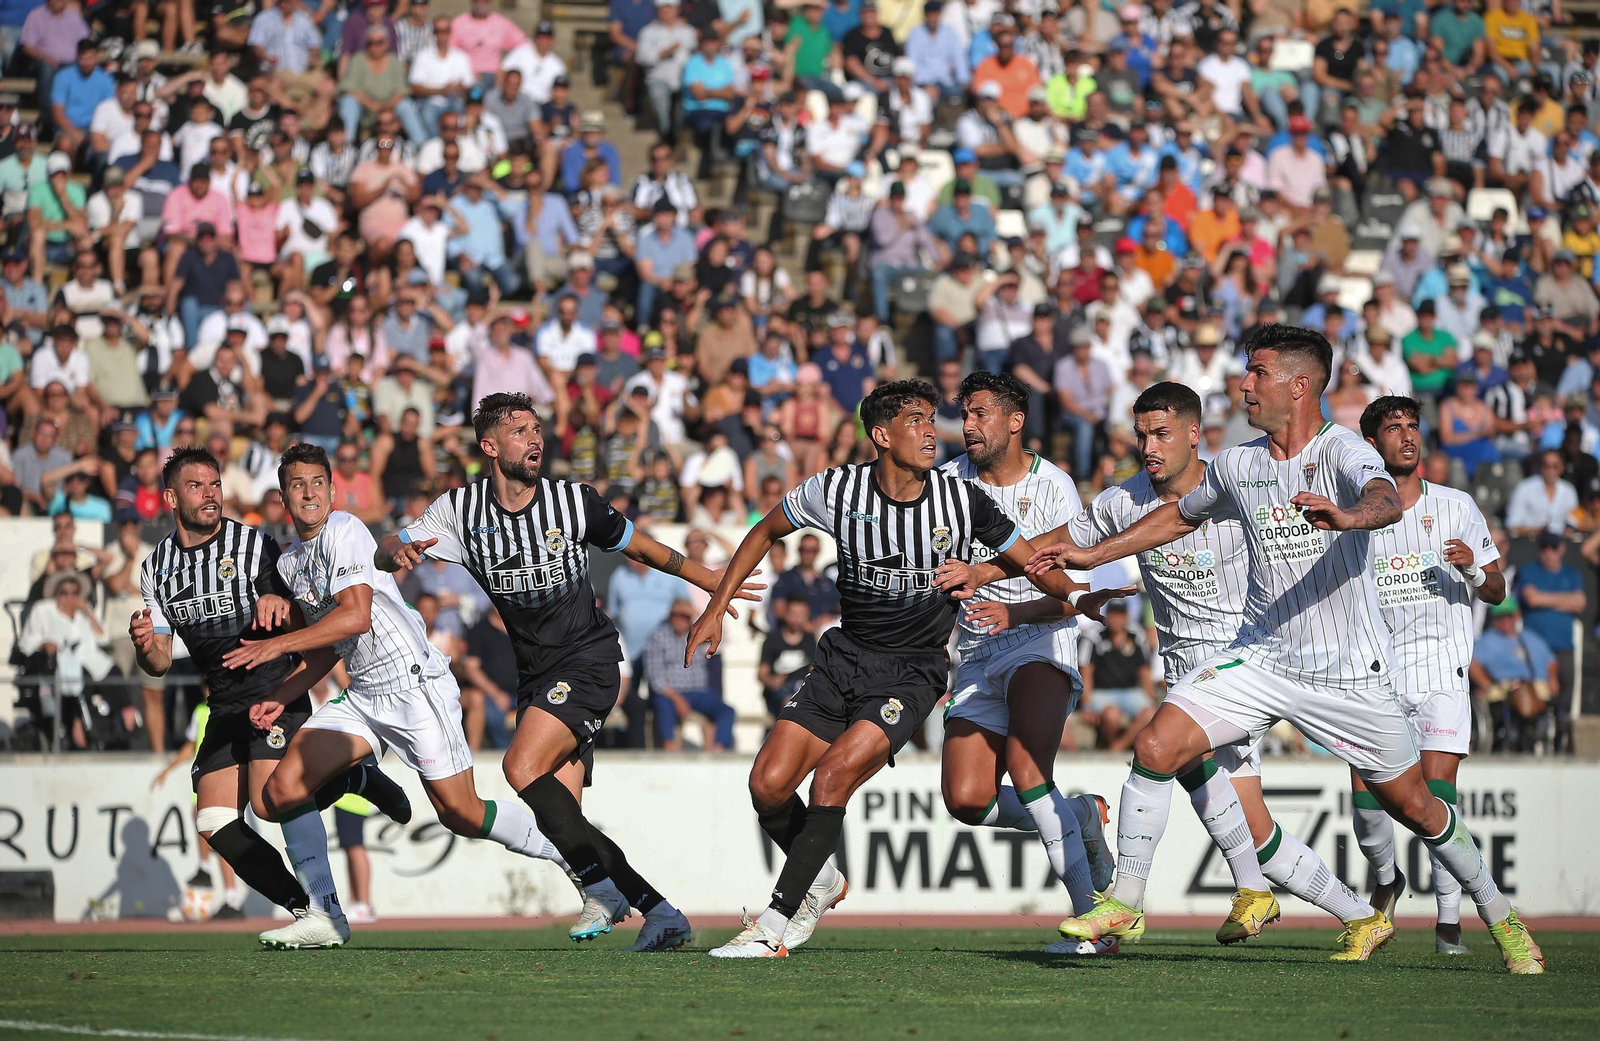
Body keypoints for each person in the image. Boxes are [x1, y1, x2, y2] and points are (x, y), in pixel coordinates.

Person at [1033, 325, 1543, 974]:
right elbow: (1183, 515)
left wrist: (1351, 516)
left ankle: (1501, 914)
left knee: (1416, 805)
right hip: (1262, 657)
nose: (1243, 385)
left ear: (1298, 386)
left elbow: (1383, 494)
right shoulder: (1241, 463)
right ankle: (1127, 900)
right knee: (1156, 744)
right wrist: (1093, 552)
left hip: (1348, 674)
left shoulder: (1344, 454)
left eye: (1257, 373)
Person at [687, 379, 1093, 957]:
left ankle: (775, 926)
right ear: (881, 435)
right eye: (917, 421)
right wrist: (716, 606)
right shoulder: (837, 488)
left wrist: (1077, 597)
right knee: (768, 785)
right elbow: (765, 529)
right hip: (842, 659)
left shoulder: (961, 500)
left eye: (934, 420)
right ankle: (821, 879)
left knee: (831, 778)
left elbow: (1031, 562)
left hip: (911, 673)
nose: (932, 431)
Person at [377, 393, 761, 951]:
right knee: (566, 827)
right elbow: (395, 543)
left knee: (519, 765)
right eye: (519, 431)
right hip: (536, 675)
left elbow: (645, 549)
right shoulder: (459, 512)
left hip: (589, 658)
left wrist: (716, 587)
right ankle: (660, 911)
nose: (535, 440)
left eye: (537, 429)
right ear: (489, 447)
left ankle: (606, 890)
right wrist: (394, 553)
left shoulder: (572, 501)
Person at [224, 442, 587, 942]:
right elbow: (332, 648)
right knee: (279, 793)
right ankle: (325, 916)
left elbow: (356, 616)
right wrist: (283, 694)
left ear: (331, 489)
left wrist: (276, 647)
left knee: (460, 812)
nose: (308, 492)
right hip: (364, 694)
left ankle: (572, 854)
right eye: (296, 484)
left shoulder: (345, 529)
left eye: (316, 482)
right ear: (283, 497)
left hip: (414, 684)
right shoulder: (290, 564)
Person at [129, 447, 409, 950]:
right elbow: (161, 661)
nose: (211, 493)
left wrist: (279, 601)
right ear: (170, 497)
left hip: (273, 689)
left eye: (214, 484)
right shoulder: (156, 568)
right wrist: (146, 645)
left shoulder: (256, 545)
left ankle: (351, 784)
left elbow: (302, 609)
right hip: (223, 701)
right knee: (214, 821)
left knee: (267, 803)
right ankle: (304, 907)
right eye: (197, 486)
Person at [935, 371, 1118, 956]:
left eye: (981, 413)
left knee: (1025, 763)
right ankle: (1082, 815)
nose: (968, 425)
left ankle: (1092, 921)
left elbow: (1071, 592)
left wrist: (1012, 614)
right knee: (966, 801)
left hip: (1039, 638)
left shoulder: (1054, 487)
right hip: (974, 654)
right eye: (965, 413)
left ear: (1015, 421)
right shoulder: (947, 483)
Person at [1352, 396, 1507, 957]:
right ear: (1373, 444)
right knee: (1367, 807)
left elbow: (1497, 589)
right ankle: (1388, 880)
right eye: (1393, 428)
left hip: (1442, 670)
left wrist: (1471, 565)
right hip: (1375, 675)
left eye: (1412, 426)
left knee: (1438, 799)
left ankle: (1448, 924)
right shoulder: (1360, 513)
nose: (1407, 436)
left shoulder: (1456, 504)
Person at [1512, 530, 1585, 753]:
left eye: (1553, 547)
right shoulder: (1529, 571)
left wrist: (1546, 599)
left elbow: (1580, 603)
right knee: (1537, 697)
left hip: (1564, 647)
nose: (1549, 553)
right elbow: (1531, 599)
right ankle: (1533, 740)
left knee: (1564, 699)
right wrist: (1564, 600)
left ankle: (1561, 741)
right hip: (1537, 649)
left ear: (1562, 549)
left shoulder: (1572, 574)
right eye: (1544, 547)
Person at [641, 598, 735, 750]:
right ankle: (669, 749)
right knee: (663, 706)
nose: (680, 620)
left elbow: (721, 638)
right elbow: (655, 678)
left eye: (684, 616)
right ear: (670, 615)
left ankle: (718, 751)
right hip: (669, 693)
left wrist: (696, 614)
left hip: (698, 692)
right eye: (676, 615)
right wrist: (677, 698)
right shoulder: (657, 638)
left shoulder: (698, 634)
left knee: (727, 711)